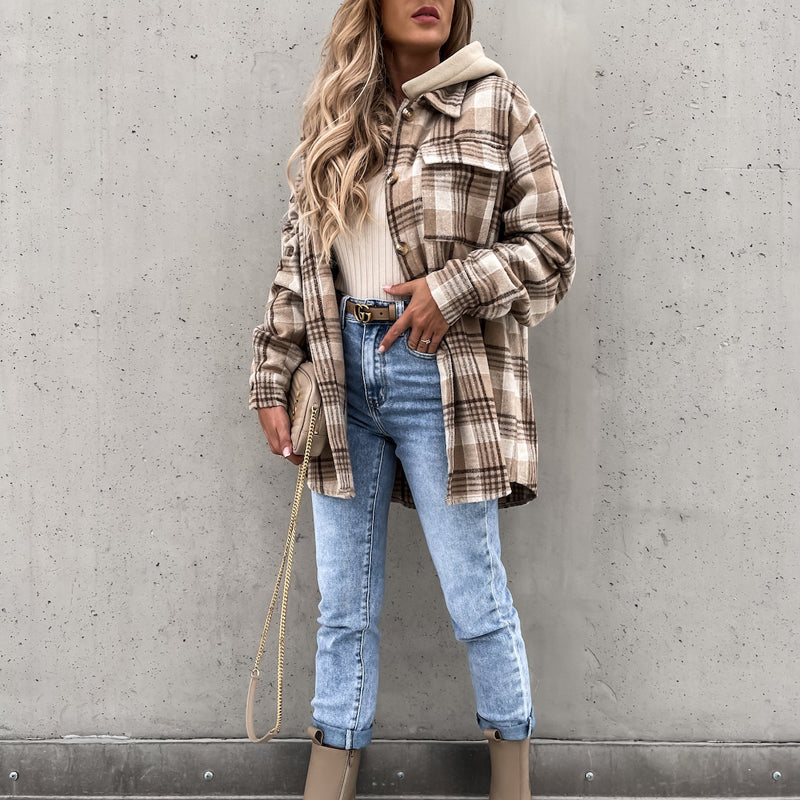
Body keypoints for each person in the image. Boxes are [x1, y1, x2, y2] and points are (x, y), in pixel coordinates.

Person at [249, 0, 575, 797]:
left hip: (443, 375)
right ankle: (331, 772)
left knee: (475, 595)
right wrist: (271, 371)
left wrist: (450, 289)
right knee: (343, 603)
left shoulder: (497, 102)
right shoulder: (337, 115)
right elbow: (299, 263)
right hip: (339, 372)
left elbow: (552, 247)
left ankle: (512, 777)